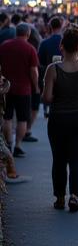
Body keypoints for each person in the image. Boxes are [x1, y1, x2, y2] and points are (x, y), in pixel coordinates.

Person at [42, 25, 78, 212]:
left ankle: (59, 197)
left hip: (58, 117)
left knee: (58, 159)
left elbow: (47, 98)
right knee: (77, 159)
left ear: (61, 46)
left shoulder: (53, 69)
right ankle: (74, 195)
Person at [0, 23, 40, 159]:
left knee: (7, 117)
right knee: (23, 119)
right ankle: (17, 145)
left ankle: (9, 144)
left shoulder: (4, 45)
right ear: (28, 34)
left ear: (16, 33)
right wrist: (36, 87)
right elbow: (34, 71)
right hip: (24, 89)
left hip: (6, 88)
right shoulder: (30, 49)